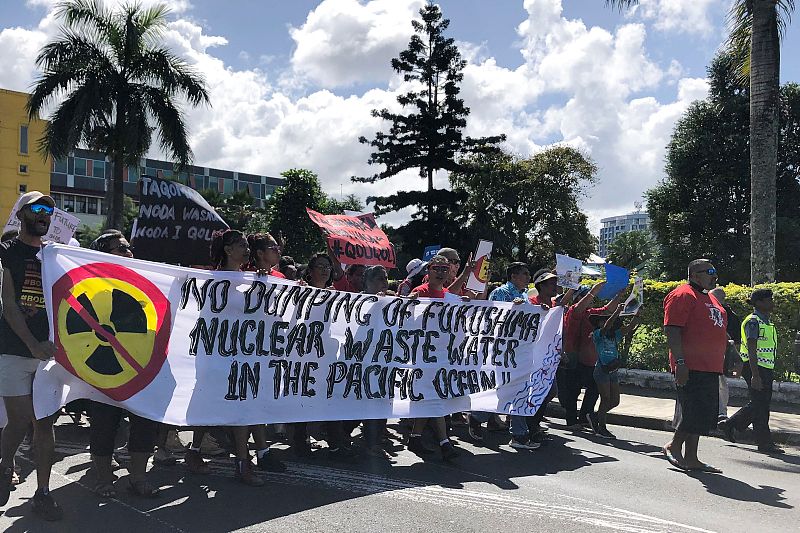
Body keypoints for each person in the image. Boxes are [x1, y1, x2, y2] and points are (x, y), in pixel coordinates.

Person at [0, 191, 62, 520]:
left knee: (45, 422)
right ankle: (5, 463)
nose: (44, 214)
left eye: (49, 210)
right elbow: (9, 307)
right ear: (21, 213)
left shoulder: (55, 256)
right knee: (20, 419)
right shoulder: (7, 252)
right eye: (37, 208)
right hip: (13, 350)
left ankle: (43, 492)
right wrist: (32, 345)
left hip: (49, 355)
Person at [86, 230, 160, 498]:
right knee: (104, 422)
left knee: (144, 421)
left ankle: (138, 478)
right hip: (103, 363)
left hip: (140, 364)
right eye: (121, 248)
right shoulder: (90, 285)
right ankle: (104, 478)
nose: (129, 252)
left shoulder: (144, 278)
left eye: (129, 247)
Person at [662, 259, 727, 473]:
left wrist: (732, 357)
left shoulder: (711, 298)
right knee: (691, 412)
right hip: (691, 365)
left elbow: (718, 330)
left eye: (715, 271)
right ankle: (673, 446)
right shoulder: (682, 295)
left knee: (702, 415)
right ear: (695, 275)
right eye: (710, 271)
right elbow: (672, 330)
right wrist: (680, 362)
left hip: (710, 366)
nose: (714, 276)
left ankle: (692, 457)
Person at [292, 252, 358, 461]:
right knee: (303, 398)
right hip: (304, 353)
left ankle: (336, 445)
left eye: (327, 267)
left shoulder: (335, 295)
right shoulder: (301, 291)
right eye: (320, 266)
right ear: (310, 271)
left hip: (327, 353)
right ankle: (300, 440)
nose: (325, 270)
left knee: (330, 399)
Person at [407, 254, 460, 460]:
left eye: (444, 269)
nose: (441, 272)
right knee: (433, 396)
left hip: (441, 354)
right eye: (436, 268)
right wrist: (409, 302)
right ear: (428, 270)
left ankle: (416, 437)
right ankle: (444, 442)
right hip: (422, 354)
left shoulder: (448, 295)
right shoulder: (420, 292)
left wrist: (463, 303)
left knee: (431, 397)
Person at [719, 289, 784, 454]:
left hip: (764, 367)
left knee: (759, 403)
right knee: (761, 405)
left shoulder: (766, 322)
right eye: (769, 299)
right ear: (759, 303)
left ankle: (730, 424)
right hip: (755, 367)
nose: (772, 302)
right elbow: (752, 348)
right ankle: (764, 443)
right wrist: (755, 375)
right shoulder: (753, 322)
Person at [587, 304, 639, 439]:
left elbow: (629, 328)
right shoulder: (598, 334)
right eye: (602, 320)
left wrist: (637, 315)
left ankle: (595, 416)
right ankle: (601, 428)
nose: (605, 322)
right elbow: (606, 327)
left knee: (615, 401)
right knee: (606, 399)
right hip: (601, 369)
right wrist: (616, 312)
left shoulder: (615, 336)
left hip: (612, 370)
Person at [360, 265, 391, 457]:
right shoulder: (357, 301)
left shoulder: (391, 300)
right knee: (362, 404)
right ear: (368, 282)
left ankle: (375, 442)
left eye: (386, 278)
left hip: (385, 360)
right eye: (380, 278)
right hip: (363, 361)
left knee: (382, 402)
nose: (384, 282)